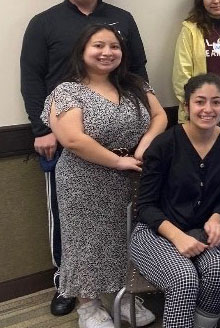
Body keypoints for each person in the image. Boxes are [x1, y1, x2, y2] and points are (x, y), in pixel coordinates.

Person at [19, 0, 148, 317]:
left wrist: (140, 125)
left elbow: (138, 71)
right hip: (65, 137)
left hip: (122, 138)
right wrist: (41, 127)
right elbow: (31, 78)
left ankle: (120, 291)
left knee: (122, 219)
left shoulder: (122, 19)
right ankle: (71, 286)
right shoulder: (44, 22)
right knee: (71, 219)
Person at [41, 24, 166, 328]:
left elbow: (160, 116)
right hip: (83, 179)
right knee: (85, 241)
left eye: (114, 47)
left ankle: (124, 297)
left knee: (126, 237)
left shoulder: (135, 84)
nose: (107, 52)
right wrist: (117, 162)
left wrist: (143, 147)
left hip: (132, 175)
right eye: (98, 46)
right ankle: (89, 307)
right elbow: (72, 139)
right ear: (83, 51)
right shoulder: (67, 90)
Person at [131, 74, 220, 328]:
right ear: (186, 106)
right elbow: (145, 206)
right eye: (200, 101)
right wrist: (177, 237)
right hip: (154, 233)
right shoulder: (164, 144)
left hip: (201, 232)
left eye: (216, 102)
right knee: (183, 279)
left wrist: (217, 217)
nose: (208, 109)